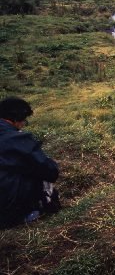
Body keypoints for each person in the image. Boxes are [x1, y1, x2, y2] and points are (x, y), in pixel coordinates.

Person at [0, 97, 60, 228]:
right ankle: (33, 211)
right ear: (16, 119)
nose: (23, 124)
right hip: (7, 209)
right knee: (42, 168)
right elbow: (50, 171)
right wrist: (52, 164)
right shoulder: (15, 138)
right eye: (24, 120)